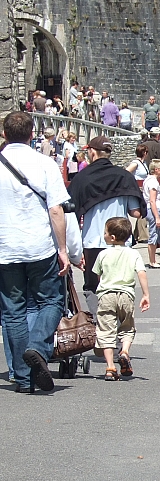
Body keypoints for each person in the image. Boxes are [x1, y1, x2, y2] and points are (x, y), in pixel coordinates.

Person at [0, 111, 70, 393]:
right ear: (32, 134)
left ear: (5, 134)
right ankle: (38, 347)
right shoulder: (44, 164)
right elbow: (56, 209)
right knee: (52, 301)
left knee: (13, 312)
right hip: (39, 245)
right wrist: (63, 248)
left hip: (5, 248)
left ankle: (22, 375)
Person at [67, 136, 144, 313]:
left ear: (92, 152)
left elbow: (69, 214)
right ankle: (117, 322)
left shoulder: (82, 178)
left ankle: (101, 321)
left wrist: (74, 251)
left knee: (93, 287)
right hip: (121, 242)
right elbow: (136, 212)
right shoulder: (124, 176)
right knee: (119, 284)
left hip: (93, 241)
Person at [93, 217, 150, 381]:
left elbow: (98, 275)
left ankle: (110, 366)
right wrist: (146, 295)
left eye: (105, 232)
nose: (103, 235)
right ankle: (124, 351)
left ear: (112, 237)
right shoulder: (133, 253)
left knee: (106, 330)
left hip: (106, 295)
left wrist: (102, 289)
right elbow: (141, 273)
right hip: (126, 295)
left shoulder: (103, 254)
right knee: (127, 326)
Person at [142, 160, 160, 268]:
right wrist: (157, 217)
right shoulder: (152, 182)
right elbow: (152, 200)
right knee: (154, 235)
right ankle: (152, 261)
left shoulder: (149, 180)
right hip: (154, 210)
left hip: (156, 209)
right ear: (156, 169)